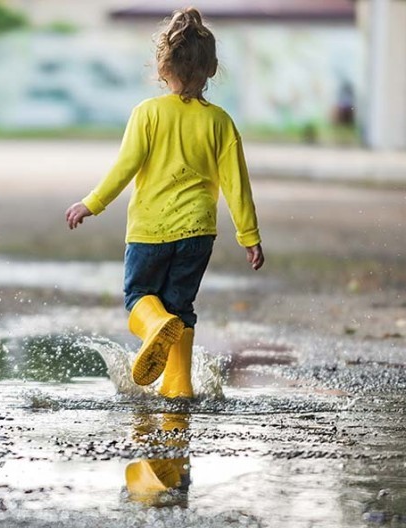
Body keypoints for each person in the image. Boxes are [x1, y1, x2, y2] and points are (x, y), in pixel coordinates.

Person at [65, 7, 264, 399]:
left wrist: (92, 203)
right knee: (181, 307)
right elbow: (237, 185)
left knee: (140, 297)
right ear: (211, 70)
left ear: (162, 67)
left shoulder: (147, 114)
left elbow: (124, 168)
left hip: (149, 231)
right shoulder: (220, 122)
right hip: (198, 233)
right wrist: (249, 236)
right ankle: (178, 386)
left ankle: (154, 326)